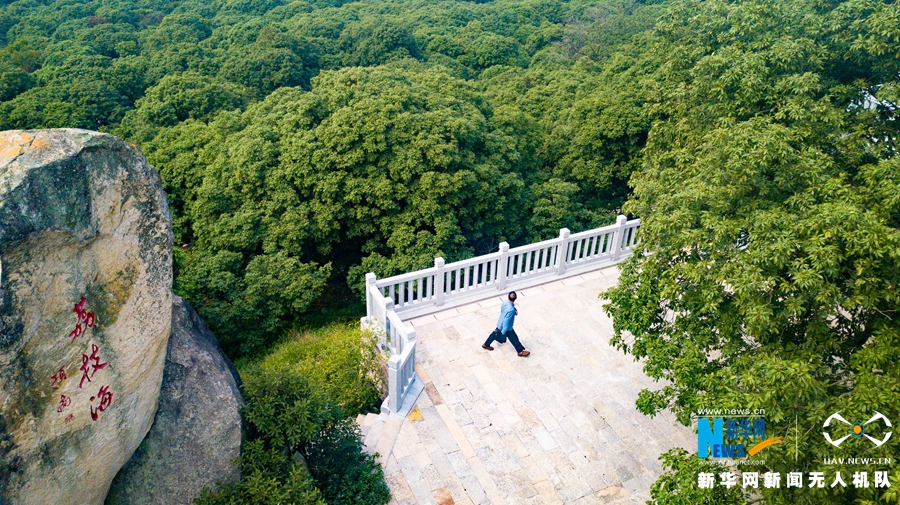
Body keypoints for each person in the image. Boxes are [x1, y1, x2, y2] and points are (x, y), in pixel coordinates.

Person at [482, 291, 530, 357]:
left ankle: (486, 344)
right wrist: (504, 331)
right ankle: (520, 352)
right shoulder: (511, 310)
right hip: (506, 327)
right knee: (514, 338)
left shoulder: (505, 302)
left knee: (494, 334)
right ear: (515, 298)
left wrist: (514, 310)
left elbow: (503, 310)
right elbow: (506, 321)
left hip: (500, 322)